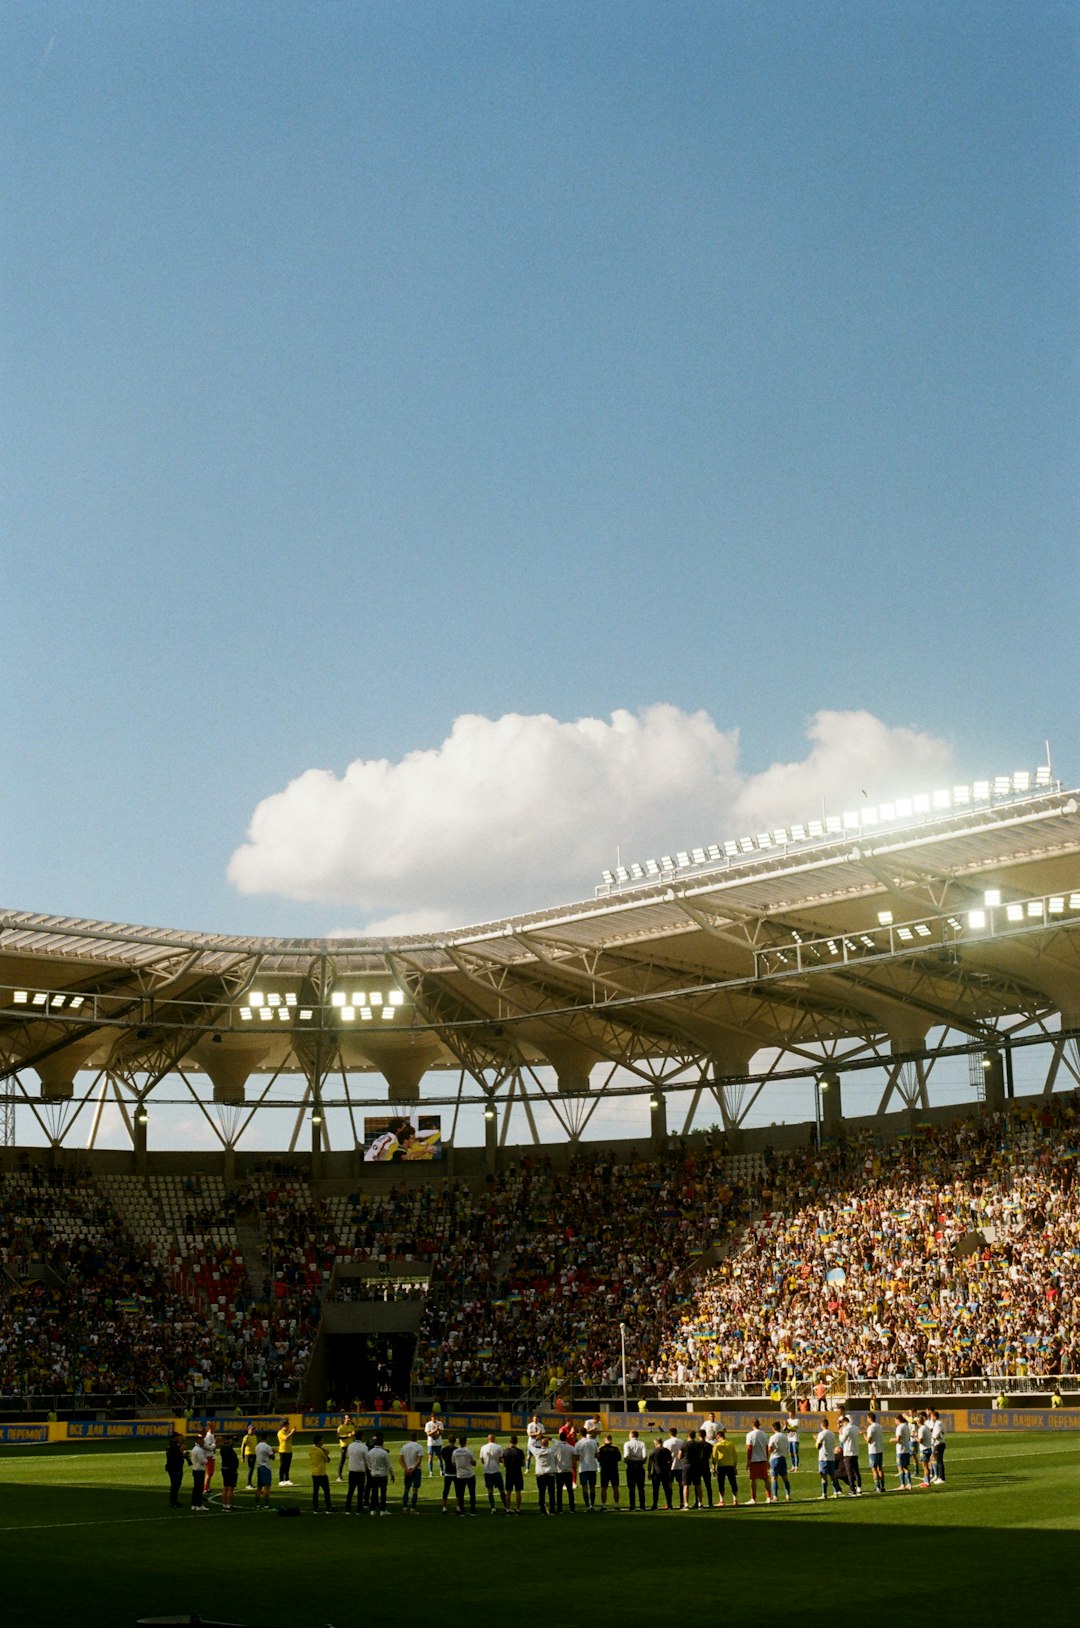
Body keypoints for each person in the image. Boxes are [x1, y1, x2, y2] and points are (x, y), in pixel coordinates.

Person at [816, 1418, 845, 1499]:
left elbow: (817, 1446)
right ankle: (836, 1492)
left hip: (823, 1457)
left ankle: (824, 1494)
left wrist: (816, 1440)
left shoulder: (821, 1434)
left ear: (822, 1425)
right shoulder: (832, 1433)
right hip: (831, 1457)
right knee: (832, 1476)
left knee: (823, 1476)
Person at [366, 1432, 394, 1515]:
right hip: (382, 1475)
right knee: (383, 1493)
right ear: (382, 1443)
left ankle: (372, 1510)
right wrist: (392, 1474)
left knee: (374, 1492)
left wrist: (371, 1470)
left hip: (373, 1474)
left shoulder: (370, 1452)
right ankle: (383, 1510)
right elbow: (389, 1465)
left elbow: (368, 1464)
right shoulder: (384, 1453)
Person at [745, 1418, 771, 1505]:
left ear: (752, 1425)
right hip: (763, 1459)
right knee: (766, 1479)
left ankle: (753, 1498)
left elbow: (749, 1449)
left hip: (754, 1460)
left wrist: (748, 1461)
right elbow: (767, 1448)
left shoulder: (750, 1435)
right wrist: (767, 1459)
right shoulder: (764, 1434)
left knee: (753, 1480)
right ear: (759, 1425)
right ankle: (768, 1497)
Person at [479, 1433, 508, 1513]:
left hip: (487, 1472)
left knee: (490, 1491)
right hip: (496, 1471)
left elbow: (482, 1461)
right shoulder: (498, 1447)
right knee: (501, 1490)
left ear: (488, 1439)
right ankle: (506, 1507)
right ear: (494, 1439)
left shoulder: (483, 1447)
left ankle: (493, 1508)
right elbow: (501, 1459)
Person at [452, 1434, 477, 1516]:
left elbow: (453, 1463)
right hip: (469, 1474)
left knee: (460, 1494)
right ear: (466, 1442)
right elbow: (474, 1463)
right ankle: (473, 1511)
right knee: (472, 1493)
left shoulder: (455, 1452)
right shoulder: (469, 1451)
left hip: (460, 1475)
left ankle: (461, 1511)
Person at [767, 1420, 792, 1503]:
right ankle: (788, 1494)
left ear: (773, 1428)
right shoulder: (785, 1436)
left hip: (774, 1458)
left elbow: (770, 1449)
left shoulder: (773, 1437)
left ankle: (775, 1496)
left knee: (774, 1478)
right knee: (785, 1478)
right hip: (783, 1458)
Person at [712, 1429, 738, 1507]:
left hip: (721, 1466)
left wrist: (713, 1467)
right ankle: (735, 1500)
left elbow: (714, 1457)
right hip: (730, 1466)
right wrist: (735, 1466)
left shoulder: (716, 1445)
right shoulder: (731, 1444)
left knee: (721, 1484)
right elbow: (735, 1456)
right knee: (733, 1483)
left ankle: (722, 1500)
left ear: (718, 1437)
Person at [345, 1430, 369, 1513]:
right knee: (360, 1491)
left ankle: (348, 1508)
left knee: (350, 1490)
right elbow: (366, 1460)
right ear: (362, 1437)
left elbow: (347, 1455)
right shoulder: (364, 1447)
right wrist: (366, 1469)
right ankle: (359, 1509)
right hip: (360, 1471)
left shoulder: (350, 1445)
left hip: (352, 1470)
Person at [533, 1434, 558, 1515]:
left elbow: (529, 1445)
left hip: (540, 1475)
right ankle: (552, 1509)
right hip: (550, 1475)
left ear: (541, 1444)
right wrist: (550, 1438)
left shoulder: (537, 1451)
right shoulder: (551, 1450)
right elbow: (557, 1443)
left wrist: (536, 1439)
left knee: (541, 1493)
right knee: (551, 1493)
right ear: (548, 1443)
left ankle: (542, 1510)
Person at [400, 1431, 424, 1513]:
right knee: (415, 1490)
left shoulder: (404, 1446)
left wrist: (406, 1468)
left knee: (406, 1489)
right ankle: (413, 1508)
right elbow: (419, 1460)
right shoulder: (419, 1447)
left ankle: (404, 1508)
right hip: (416, 1470)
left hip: (407, 1469)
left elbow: (400, 1460)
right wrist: (413, 1469)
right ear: (416, 1437)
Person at [575, 1428, 599, 1510]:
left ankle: (587, 1505)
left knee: (584, 1487)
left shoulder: (578, 1443)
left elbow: (576, 1457)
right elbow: (597, 1455)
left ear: (580, 1434)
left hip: (583, 1467)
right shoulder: (593, 1442)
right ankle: (592, 1505)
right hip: (592, 1467)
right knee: (592, 1487)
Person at [838, 1413, 862, 1495]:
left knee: (849, 1472)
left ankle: (852, 1488)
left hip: (848, 1452)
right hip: (855, 1451)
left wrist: (840, 1433)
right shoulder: (855, 1428)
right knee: (856, 1470)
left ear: (844, 1422)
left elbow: (842, 1440)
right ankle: (859, 1487)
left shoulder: (846, 1429)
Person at [648, 1436, 673, 1511]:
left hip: (656, 1472)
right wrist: (669, 1469)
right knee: (667, 1489)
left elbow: (650, 1463)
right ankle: (669, 1504)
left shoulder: (653, 1451)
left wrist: (649, 1472)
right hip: (665, 1472)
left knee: (655, 1490)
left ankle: (655, 1505)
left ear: (656, 1443)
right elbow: (671, 1461)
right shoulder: (667, 1451)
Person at [553, 1430, 575, 1511]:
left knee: (559, 1491)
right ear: (566, 1438)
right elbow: (575, 1456)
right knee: (570, 1490)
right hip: (568, 1471)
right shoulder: (571, 1447)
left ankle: (560, 1508)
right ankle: (572, 1508)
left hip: (559, 1471)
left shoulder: (557, 1448)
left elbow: (553, 1457)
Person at [598, 1432, 622, 1509]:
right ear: (611, 1439)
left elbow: (598, 1459)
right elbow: (619, 1459)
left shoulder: (601, 1448)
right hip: (614, 1469)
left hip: (604, 1469)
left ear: (605, 1439)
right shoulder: (615, 1448)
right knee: (615, 1487)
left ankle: (604, 1505)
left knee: (604, 1488)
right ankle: (616, 1504)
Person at [503, 1433, 526, 1514]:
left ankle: (508, 1509)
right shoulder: (520, 1452)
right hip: (517, 1473)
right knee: (518, 1491)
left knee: (508, 1491)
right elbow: (523, 1464)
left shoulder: (505, 1451)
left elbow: (504, 1464)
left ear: (510, 1441)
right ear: (516, 1442)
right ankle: (518, 1509)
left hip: (509, 1473)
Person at [864, 1411, 886, 1493]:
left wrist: (863, 1435)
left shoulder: (870, 1427)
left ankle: (877, 1487)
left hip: (873, 1450)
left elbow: (868, 1440)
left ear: (869, 1418)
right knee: (880, 1468)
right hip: (880, 1449)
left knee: (874, 1469)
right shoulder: (879, 1426)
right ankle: (883, 1486)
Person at [310, 1433, 332, 1512]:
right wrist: (325, 1452)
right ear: (319, 1441)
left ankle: (315, 1507)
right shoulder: (320, 1451)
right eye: (322, 1440)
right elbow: (327, 1460)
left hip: (314, 1473)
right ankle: (328, 1507)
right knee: (326, 1491)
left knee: (315, 1491)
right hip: (321, 1473)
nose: (323, 1441)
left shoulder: (312, 1450)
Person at [254, 1432, 275, 1510]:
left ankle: (257, 1504)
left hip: (259, 1467)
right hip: (266, 1467)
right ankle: (266, 1504)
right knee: (266, 1487)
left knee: (259, 1487)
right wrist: (273, 1453)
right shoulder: (267, 1447)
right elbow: (272, 1457)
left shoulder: (257, 1446)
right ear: (267, 1437)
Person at [165, 1431, 185, 1508]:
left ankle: (175, 1501)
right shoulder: (173, 1446)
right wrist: (182, 1448)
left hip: (173, 1467)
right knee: (175, 1485)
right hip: (175, 1468)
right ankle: (173, 1502)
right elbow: (177, 1455)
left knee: (176, 1485)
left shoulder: (171, 1445)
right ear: (175, 1437)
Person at [894, 1413, 913, 1492]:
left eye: (895, 1420)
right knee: (905, 1467)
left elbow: (898, 1439)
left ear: (898, 1420)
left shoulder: (899, 1427)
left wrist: (892, 1440)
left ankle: (902, 1484)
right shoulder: (906, 1426)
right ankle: (909, 1484)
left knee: (900, 1467)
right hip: (906, 1449)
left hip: (901, 1450)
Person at [220, 1434, 239, 1511]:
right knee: (230, 1488)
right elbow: (234, 1460)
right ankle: (228, 1505)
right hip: (230, 1469)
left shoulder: (223, 1449)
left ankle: (224, 1505)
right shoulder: (230, 1450)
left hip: (224, 1468)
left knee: (225, 1487)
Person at [189, 1434, 208, 1513]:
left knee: (195, 1488)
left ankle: (194, 1504)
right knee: (199, 1489)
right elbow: (202, 1461)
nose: (203, 1442)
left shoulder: (194, 1449)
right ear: (198, 1441)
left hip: (195, 1470)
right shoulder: (199, 1450)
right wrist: (207, 1460)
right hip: (199, 1471)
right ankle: (199, 1505)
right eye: (202, 1440)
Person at [336, 1413, 355, 1482]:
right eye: (347, 1418)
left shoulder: (352, 1426)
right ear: (344, 1419)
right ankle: (339, 1476)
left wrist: (352, 1435)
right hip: (344, 1446)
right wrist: (347, 1436)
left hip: (351, 1446)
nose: (348, 1419)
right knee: (342, 1461)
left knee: (353, 1461)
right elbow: (338, 1437)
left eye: (349, 1418)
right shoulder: (340, 1427)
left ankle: (353, 1476)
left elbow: (353, 1434)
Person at [916, 1411, 933, 1487]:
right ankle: (926, 1480)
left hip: (924, 1449)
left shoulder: (921, 1429)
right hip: (928, 1448)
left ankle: (926, 1482)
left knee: (925, 1466)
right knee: (926, 1466)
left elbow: (920, 1440)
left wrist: (915, 1437)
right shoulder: (926, 1427)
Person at [425, 1412, 444, 1476]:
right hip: (431, 1443)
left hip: (438, 1443)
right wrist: (436, 1430)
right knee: (430, 1457)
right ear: (431, 1418)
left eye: (435, 1417)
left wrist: (439, 1430)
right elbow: (428, 1434)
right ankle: (431, 1472)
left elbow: (442, 1432)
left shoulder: (440, 1423)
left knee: (440, 1457)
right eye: (433, 1417)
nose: (434, 1419)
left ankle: (441, 1471)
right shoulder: (428, 1424)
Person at [277, 1418, 296, 1486]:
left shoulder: (287, 1432)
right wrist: (292, 1432)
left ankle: (287, 1479)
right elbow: (285, 1438)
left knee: (287, 1466)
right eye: (287, 1425)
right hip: (283, 1451)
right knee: (283, 1466)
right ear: (284, 1426)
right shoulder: (280, 1432)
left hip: (289, 1451)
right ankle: (281, 1480)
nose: (288, 1427)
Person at [930, 1410, 946, 1484]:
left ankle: (941, 1478)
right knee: (938, 1461)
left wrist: (931, 1436)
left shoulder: (938, 1423)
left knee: (939, 1461)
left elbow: (935, 1435)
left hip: (939, 1443)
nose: (930, 1418)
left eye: (931, 1416)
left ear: (934, 1416)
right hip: (938, 1443)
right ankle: (940, 1477)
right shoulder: (937, 1423)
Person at [240, 1422, 258, 1489]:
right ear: (248, 1429)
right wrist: (242, 1457)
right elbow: (243, 1447)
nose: (253, 1430)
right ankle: (248, 1483)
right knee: (250, 1468)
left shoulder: (254, 1436)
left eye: (254, 1429)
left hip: (254, 1454)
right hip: (249, 1454)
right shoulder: (246, 1437)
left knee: (252, 1469)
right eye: (252, 1429)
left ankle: (250, 1483)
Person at [202, 1427, 217, 1494]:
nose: (214, 1429)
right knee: (209, 1473)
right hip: (209, 1457)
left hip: (211, 1456)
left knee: (210, 1473)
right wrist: (215, 1445)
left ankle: (207, 1488)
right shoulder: (208, 1436)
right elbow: (208, 1447)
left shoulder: (211, 1435)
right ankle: (205, 1488)